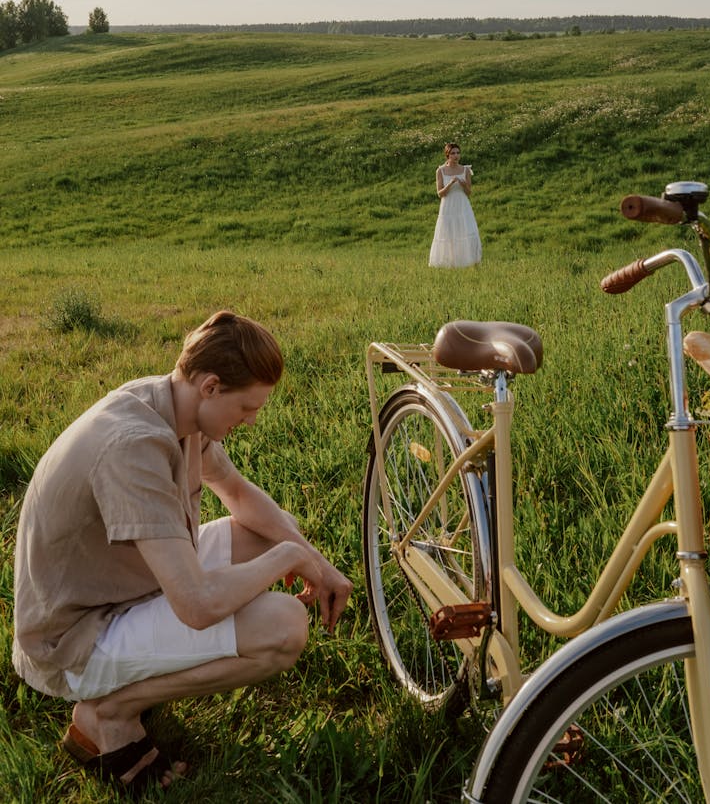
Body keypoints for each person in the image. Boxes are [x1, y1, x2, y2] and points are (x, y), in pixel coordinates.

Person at [12, 310, 353, 796]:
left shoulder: (171, 403)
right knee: (283, 627)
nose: (253, 420)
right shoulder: (133, 447)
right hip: (74, 640)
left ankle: (123, 696)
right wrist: (286, 561)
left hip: (123, 585)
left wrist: (315, 561)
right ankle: (108, 714)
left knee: (275, 534)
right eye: (247, 407)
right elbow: (197, 606)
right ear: (211, 387)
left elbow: (235, 491)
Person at [428, 142, 482, 268]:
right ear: (447, 155)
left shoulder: (466, 170)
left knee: (466, 230)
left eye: (458, 153)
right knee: (449, 233)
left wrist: (463, 185)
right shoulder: (440, 171)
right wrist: (450, 184)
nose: (456, 156)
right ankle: (449, 263)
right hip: (448, 206)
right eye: (453, 153)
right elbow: (440, 193)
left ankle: (468, 261)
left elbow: (469, 192)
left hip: (462, 205)